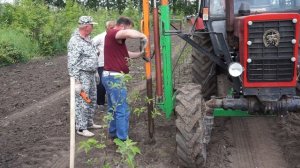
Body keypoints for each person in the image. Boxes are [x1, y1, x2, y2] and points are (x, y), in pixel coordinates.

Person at [102, 17, 147, 141]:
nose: (128, 33)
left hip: (109, 76)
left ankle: (113, 134)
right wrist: (143, 36)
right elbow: (128, 33)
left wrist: (141, 54)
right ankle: (123, 140)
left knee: (113, 107)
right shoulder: (114, 33)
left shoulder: (116, 40)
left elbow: (127, 54)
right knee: (122, 109)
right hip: (115, 78)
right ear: (122, 26)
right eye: (130, 27)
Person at [67, 16, 102, 137]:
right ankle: (81, 128)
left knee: (91, 99)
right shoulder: (75, 41)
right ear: (86, 26)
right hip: (82, 75)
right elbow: (73, 62)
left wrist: (96, 71)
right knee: (83, 101)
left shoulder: (88, 38)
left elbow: (93, 55)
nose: (93, 27)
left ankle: (89, 123)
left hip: (91, 73)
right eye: (92, 25)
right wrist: (76, 81)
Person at [92, 21, 116, 108]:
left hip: (113, 64)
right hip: (101, 64)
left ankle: (112, 102)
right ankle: (100, 103)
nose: (112, 29)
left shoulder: (116, 37)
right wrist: (96, 52)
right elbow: (90, 45)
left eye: (114, 27)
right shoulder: (100, 37)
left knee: (112, 83)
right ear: (106, 28)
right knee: (101, 84)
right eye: (110, 28)